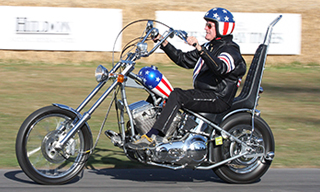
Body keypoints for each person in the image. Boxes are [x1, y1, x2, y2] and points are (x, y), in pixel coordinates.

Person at [128, 7, 246, 149]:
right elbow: (182, 59)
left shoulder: (230, 50)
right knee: (159, 94)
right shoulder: (210, 47)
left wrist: (199, 48)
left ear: (223, 28)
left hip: (218, 98)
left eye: (210, 25)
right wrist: (162, 42)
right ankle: (138, 131)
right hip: (206, 94)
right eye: (206, 24)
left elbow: (220, 67)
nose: (205, 28)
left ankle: (154, 136)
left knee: (177, 95)